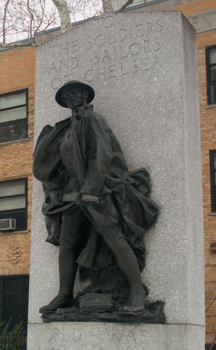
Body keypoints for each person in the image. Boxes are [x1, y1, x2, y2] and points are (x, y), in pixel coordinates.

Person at [33, 81, 159, 315]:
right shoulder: (66, 128)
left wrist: (90, 189)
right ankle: (64, 295)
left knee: (114, 238)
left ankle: (137, 291)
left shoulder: (93, 120)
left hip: (97, 191)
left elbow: (102, 155)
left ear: (85, 96)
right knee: (67, 244)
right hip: (72, 194)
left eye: (76, 93)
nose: (72, 97)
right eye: (67, 94)